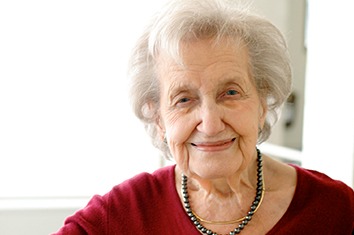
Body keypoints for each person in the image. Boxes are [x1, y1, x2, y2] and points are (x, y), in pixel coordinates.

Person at [53, 0, 354, 234]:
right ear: (159, 120)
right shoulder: (123, 212)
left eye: (231, 93)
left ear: (263, 103)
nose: (210, 124)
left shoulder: (336, 211)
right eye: (184, 100)